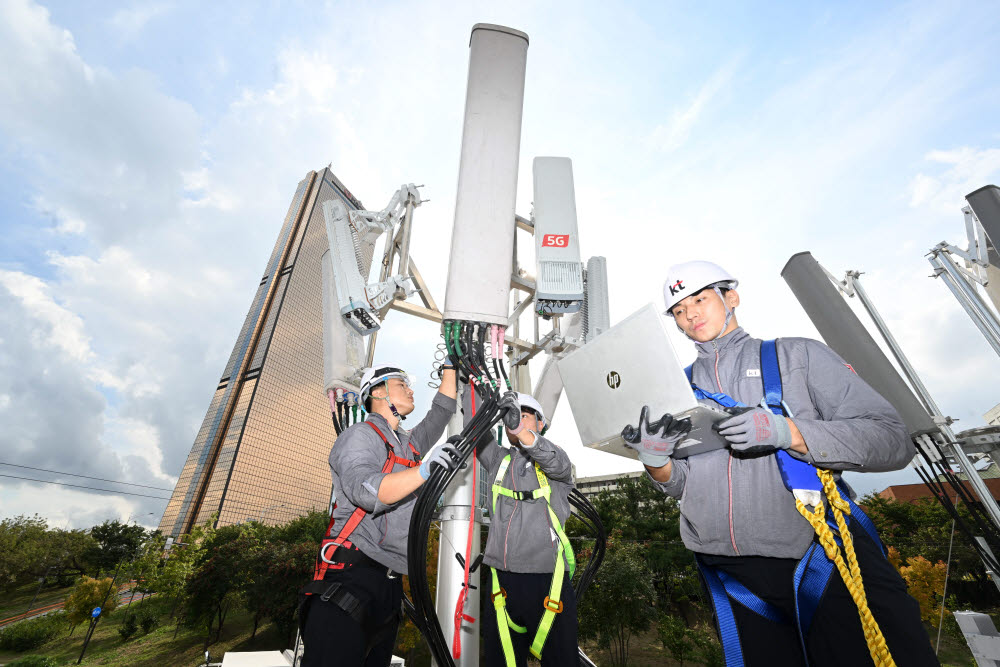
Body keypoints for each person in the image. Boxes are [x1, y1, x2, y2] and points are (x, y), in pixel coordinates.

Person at [622, 260, 938, 667]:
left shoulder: (796, 356)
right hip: (729, 573)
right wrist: (655, 461)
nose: (691, 314)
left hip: (820, 555)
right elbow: (682, 483)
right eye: (680, 310)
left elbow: (891, 439)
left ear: (730, 298)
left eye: (700, 299)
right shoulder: (675, 391)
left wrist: (788, 432)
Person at [300, 361, 461, 667]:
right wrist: (425, 470)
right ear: (378, 392)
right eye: (402, 385)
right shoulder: (360, 436)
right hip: (348, 579)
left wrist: (451, 365)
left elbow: (441, 413)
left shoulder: (408, 444)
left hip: (388, 587)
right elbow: (367, 490)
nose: (411, 390)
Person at [471, 390, 578, 667]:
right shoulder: (498, 461)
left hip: (546, 583)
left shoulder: (556, 462)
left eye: (525, 415)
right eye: (510, 416)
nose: (515, 420)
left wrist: (522, 432)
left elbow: (555, 461)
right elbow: (475, 427)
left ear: (541, 423)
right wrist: (469, 383)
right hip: (501, 584)